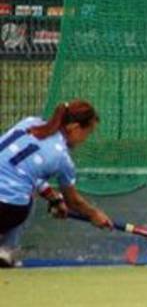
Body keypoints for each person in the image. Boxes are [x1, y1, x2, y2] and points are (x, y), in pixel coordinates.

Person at [0, 100, 113, 268]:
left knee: (23, 185)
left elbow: (19, 169)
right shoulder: (61, 157)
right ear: (75, 128)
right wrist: (94, 214)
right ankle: (5, 250)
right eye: (87, 133)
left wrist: (54, 198)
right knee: (24, 194)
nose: (84, 140)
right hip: (7, 208)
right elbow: (73, 202)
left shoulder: (29, 122)